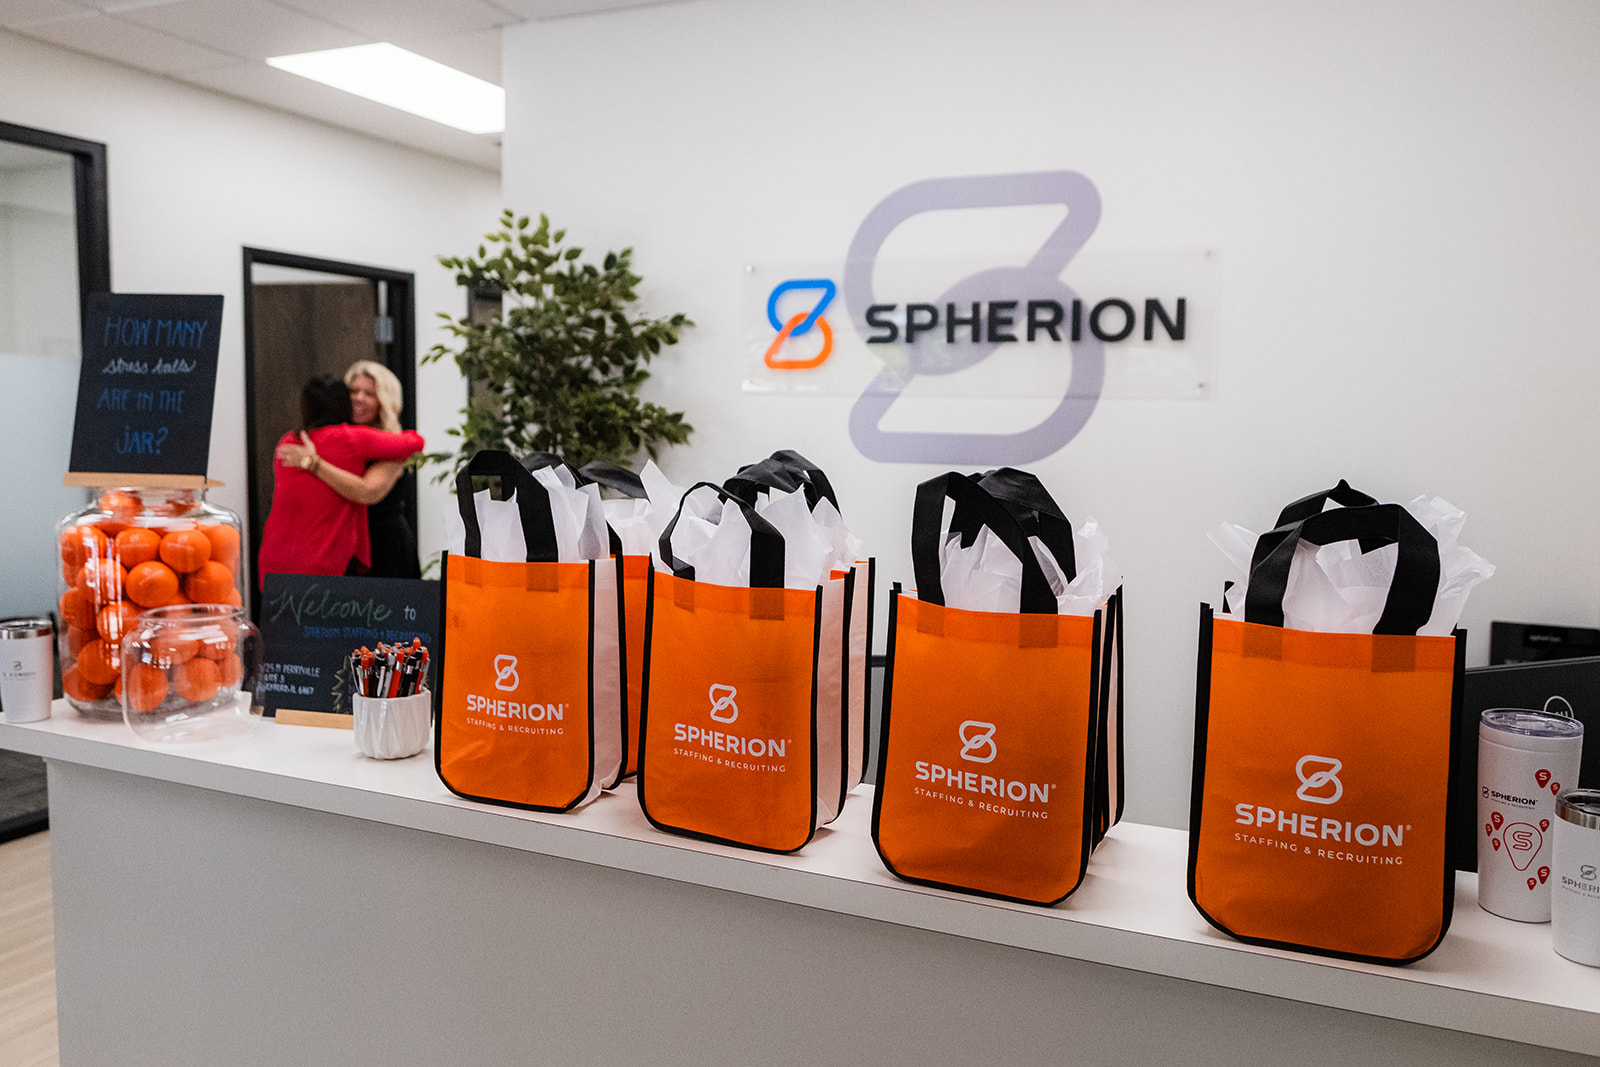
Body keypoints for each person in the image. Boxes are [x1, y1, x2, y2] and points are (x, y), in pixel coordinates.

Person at [257, 375, 424, 587]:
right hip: (323, 564)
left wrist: (313, 462)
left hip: (276, 563)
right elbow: (415, 442)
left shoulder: (289, 440)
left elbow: (366, 491)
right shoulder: (349, 439)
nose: (358, 399)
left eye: (369, 393)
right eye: (353, 392)